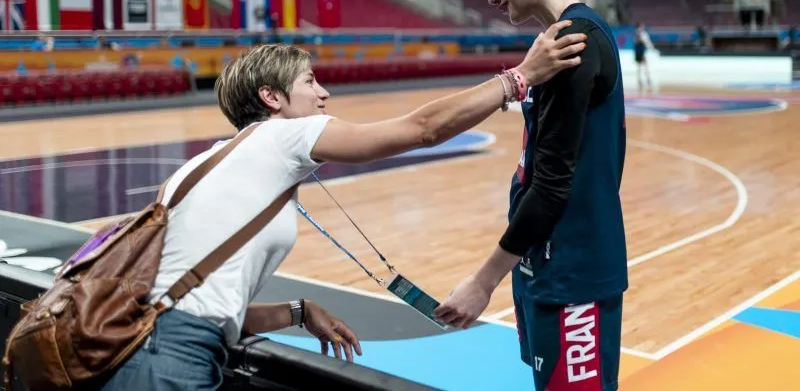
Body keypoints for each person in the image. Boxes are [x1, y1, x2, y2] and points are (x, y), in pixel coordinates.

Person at [98, 26, 587, 390]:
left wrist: (297, 311)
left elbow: (208, 309)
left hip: (134, 347)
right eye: (310, 81)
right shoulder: (285, 134)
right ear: (271, 97)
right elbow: (422, 130)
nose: (324, 93)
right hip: (169, 357)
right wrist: (518, 78)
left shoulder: (205, 164)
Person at [434, 0, 628, 391]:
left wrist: (483, 281)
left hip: (574, 272)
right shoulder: (554, 42)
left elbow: (553, 184)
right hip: (544, 264)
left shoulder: (575, 43)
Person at [634, 21, 656, 93]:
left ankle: (640, 80)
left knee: (640, 66)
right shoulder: (641, 33)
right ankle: (647, 79)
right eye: (642, 25)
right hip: (640, 51)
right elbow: (645, 41)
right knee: (644, 65)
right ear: (640, 26)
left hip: (638, 51)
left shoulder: (638, 33)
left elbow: (643, 41)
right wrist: (651, 47)